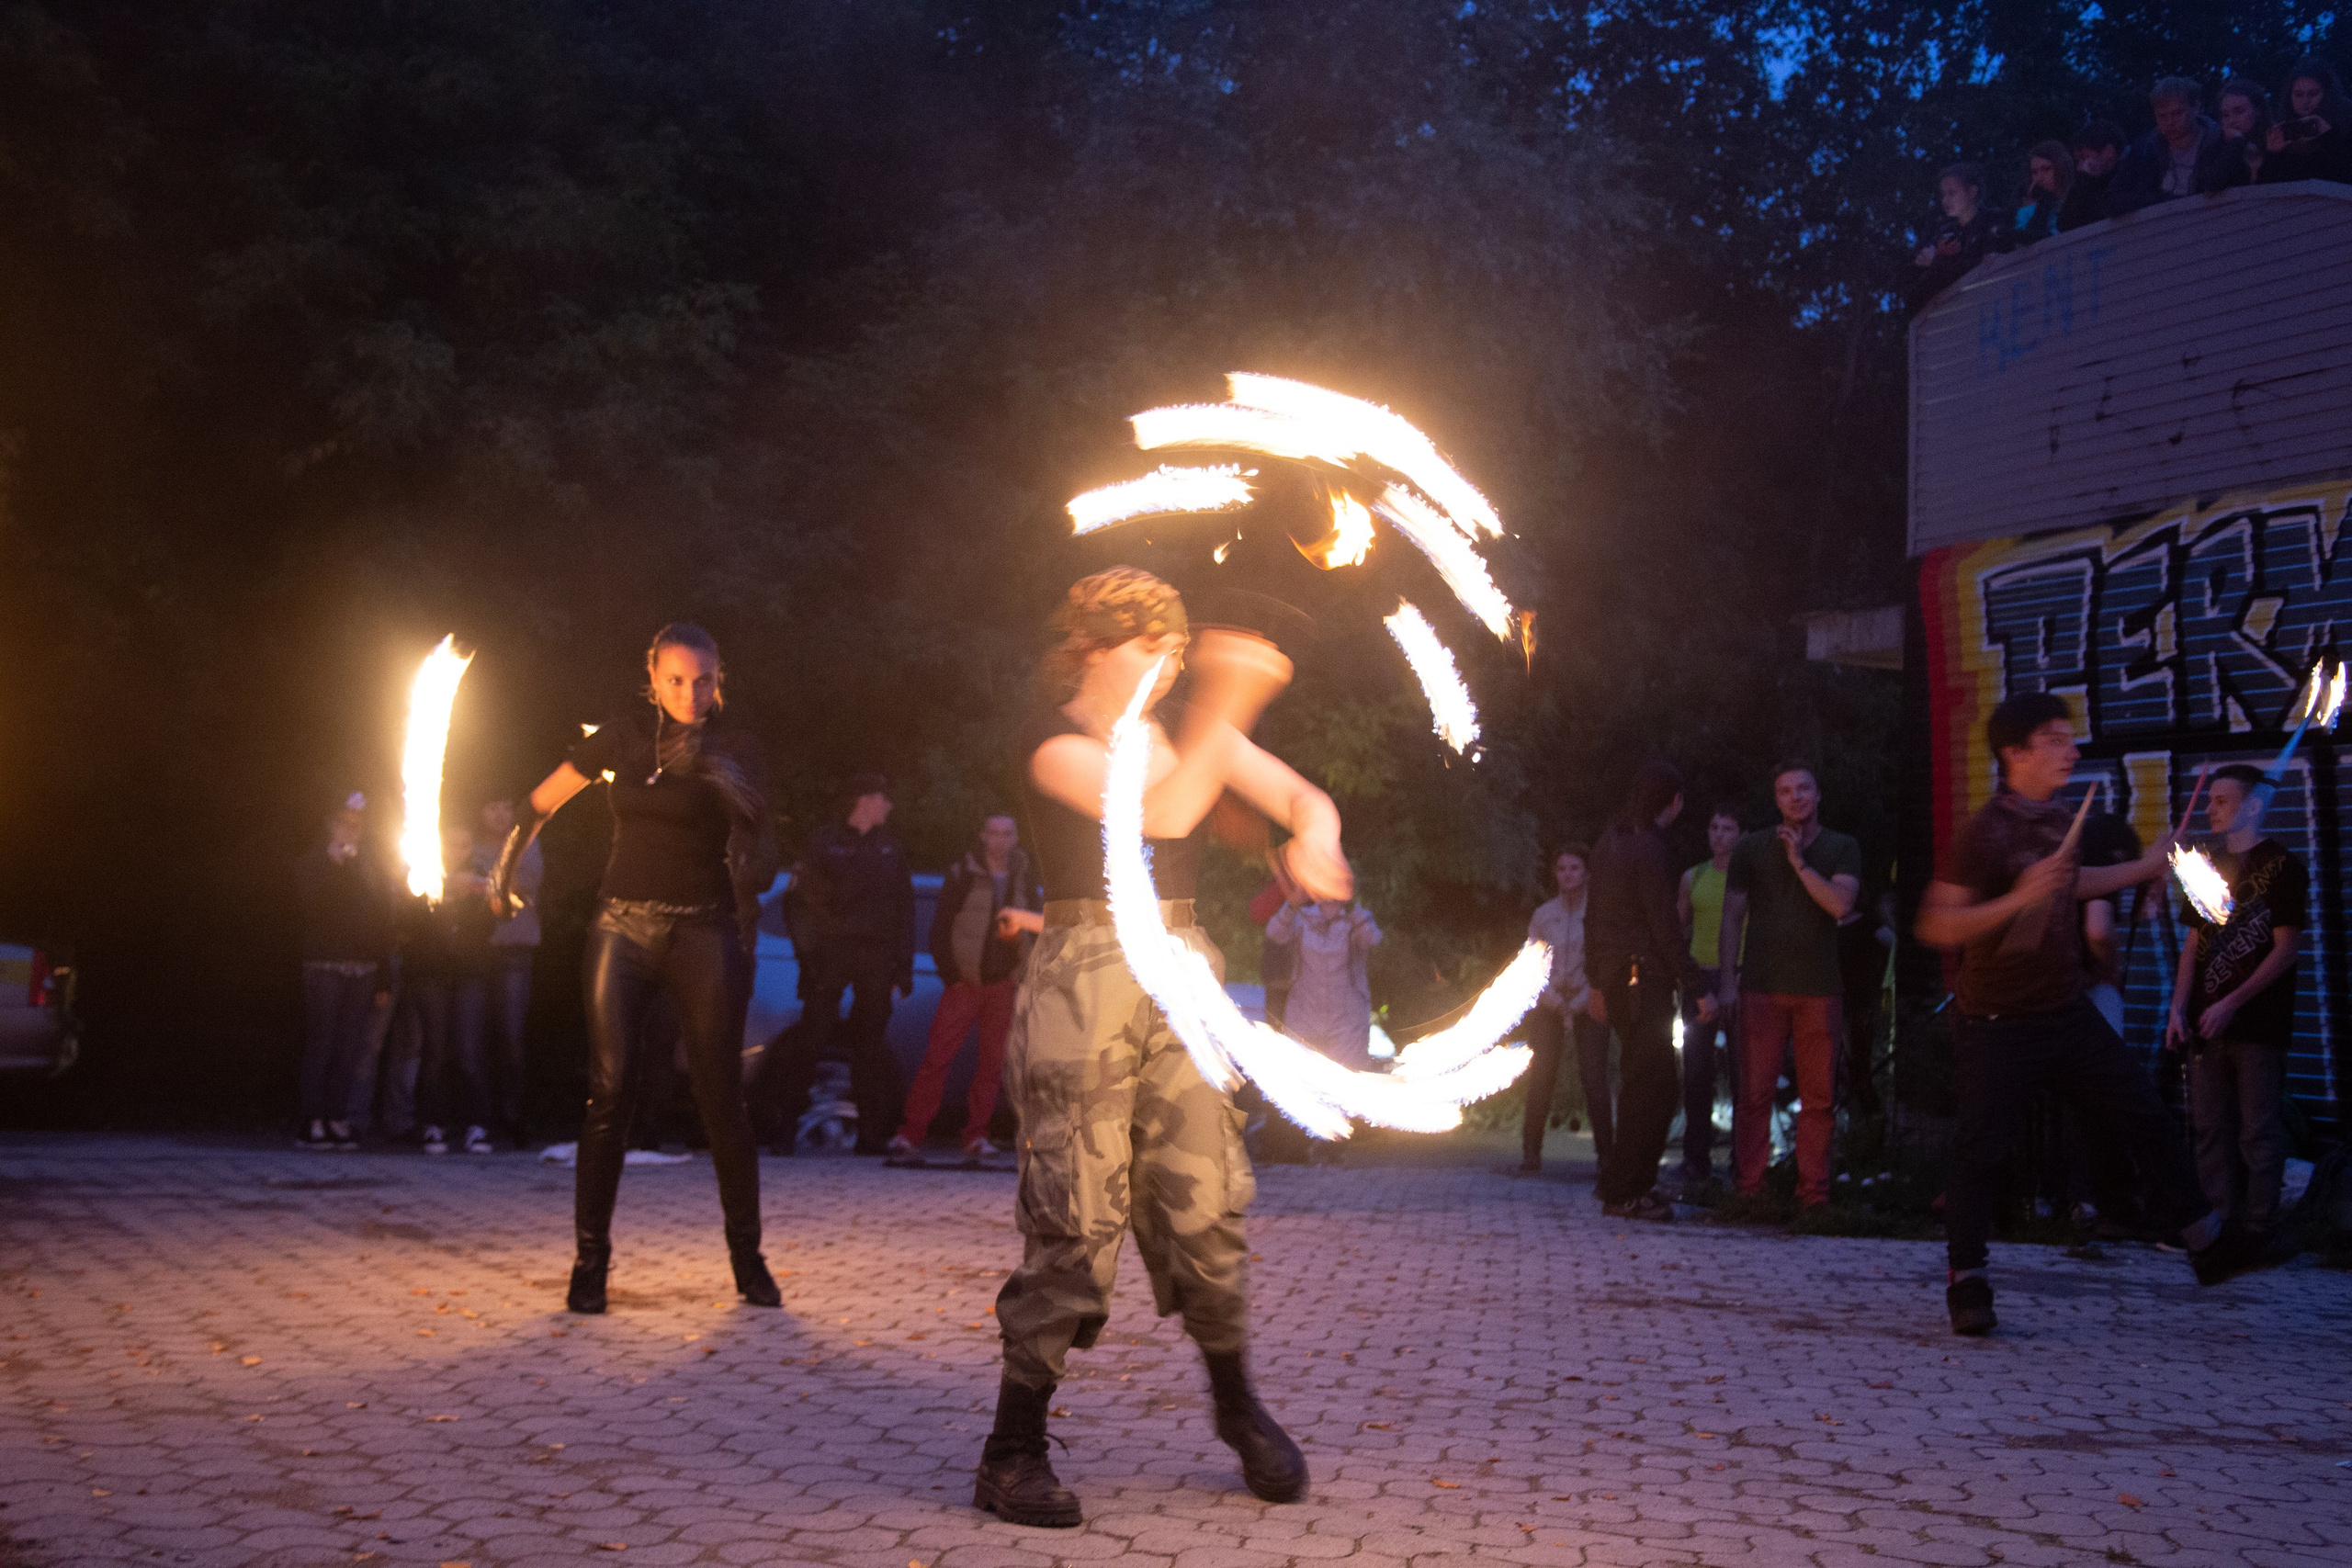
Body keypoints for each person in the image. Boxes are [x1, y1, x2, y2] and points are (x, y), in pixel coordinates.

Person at [975, 568, 1345, 1527]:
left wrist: (1315, 835)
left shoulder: (1189, 728)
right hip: (1086, 973)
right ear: (1094, 647)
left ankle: (1235, 1405)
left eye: (1181, 652)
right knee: (1075, 1212)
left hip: (1180, 973)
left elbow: (1302, 798)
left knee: (1205, 1197)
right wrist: (1228, 696)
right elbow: (1164, 811)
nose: (1171, 664)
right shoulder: (1052, 741)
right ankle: (1012, 1448)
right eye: (1152, 646)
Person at [1916, 692, 2246, 1337]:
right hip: (1996, 1021)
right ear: (2015, 753)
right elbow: (1937, 921)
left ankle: (2207, 1242)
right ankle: (1968, 1280)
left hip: (2064, 1008)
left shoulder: (2060, 815)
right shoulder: (1986, 831)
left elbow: (2072, 884)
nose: (2071, 749)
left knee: (2145, 1113)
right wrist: (2016, 899)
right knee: (1981, 1151)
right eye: (2055, 738)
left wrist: (2147, 866)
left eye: (2071, 737)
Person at [490, 622, 779, 1314]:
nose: (690, 692)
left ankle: (748, 1260)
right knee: (610, 1092)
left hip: (705, 930)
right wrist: (503, 873)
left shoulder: (736, 745)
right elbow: (537, 803)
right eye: (675, 679)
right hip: (621, 924)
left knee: (720, 1100)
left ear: (719, 679)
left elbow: (760, 826)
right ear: (652, 677)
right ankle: (590, 1265)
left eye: (703, 679)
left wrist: (720, 775)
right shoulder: (620, 737)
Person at [2166, 764, 2307, 1249]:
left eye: (2221, 800)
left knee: (2258, 1131)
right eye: (2210, 800)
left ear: (2252, 806)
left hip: (2258, 1022)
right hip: (2206, 1021)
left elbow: (2286, 948)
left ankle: (2258, 1229)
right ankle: (2217, 1229)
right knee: (2209, 1128)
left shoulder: (2285, 867)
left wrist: (2232, 1001)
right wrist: (2178, 1007)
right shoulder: (2205, 863)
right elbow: (2193, 942)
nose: (2210, 809)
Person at [1718, 765, 1860, 1211]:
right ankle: (1750, 1192)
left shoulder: (1842, 846)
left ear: (1818, 794)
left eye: (1803, 789)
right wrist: (1726, 979)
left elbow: (1839, 904)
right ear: (1776, 799)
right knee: (1755, 1093)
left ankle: (1812, 1197)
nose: (1796, 797)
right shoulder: (1751, 847)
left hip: (1818, 988)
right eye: (1785, 791)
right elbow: (1732, 916)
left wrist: (1798, 861)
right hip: (1761, 986)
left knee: (1818, 1098)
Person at [1586, 761, 1718, 1223]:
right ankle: (1627, 1189)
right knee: (1653, 1087)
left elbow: (1593, 917)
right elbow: (1664, 926)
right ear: (1675, 801)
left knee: (1643, 1083)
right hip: (1644, 980)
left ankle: (1625, 1183)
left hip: (1620, 980)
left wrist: (1596, 978)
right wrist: (1697, 985)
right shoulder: (1649, 849)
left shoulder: (1610, 842)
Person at [773, 774, 915, 1156]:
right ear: (866, 800)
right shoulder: (823, 843)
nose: (889, 807)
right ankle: (784, 1132)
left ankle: (870, 1137)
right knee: (810, 1043)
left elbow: (904, 911)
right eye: (884, 799)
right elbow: (796, 905)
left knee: (870, 1048)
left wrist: (902, 969)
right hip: (829, 957)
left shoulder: (890, 849)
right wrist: (809, 958)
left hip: (875, 961)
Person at [888, 812, 1040, 1165]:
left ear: (1014, 838)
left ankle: (976, 1136)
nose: (1000, 840)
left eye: (1007, 833)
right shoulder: (963, 873)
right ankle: (910, 1134)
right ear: (983, 836)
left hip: (1003, 982)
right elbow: (942, 925)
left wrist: (1022, 974)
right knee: (937, 1058)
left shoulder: (1024, 875)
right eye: (994, 833)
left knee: (991, 1063)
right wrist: (952, 974)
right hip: (965, 982)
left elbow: (1032, 925)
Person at [296, 793, 395, 1151]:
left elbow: (383, 918)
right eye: (344, 822)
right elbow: (307, 906)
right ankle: (312, 1120)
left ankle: (336, 1117)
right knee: (322, 1042)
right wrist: (331, 866)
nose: (351, 829)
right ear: (330, 824)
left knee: (349, 1047)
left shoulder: (370, 865)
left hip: (363, 968)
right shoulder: (313, 862)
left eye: (357, 824)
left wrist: (383, 975)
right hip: (324, 965)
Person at [410, 822, 497, 1156]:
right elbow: (410, 921)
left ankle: (478, 1125)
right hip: (431, 973)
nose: (457, 852)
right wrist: (444, 894)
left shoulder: (480, 879)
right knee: (435, 1050)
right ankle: (433, 1124)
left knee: (469, 1051)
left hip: (470, 973)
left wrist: (480, 895)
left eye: (464, 845)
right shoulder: (423, 876)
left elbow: (492, 925)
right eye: (451, 845)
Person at [1523, 845, 1607, 1177]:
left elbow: (1602, 961)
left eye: (1575, 868)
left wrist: (1583, 999)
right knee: (1542, 1073)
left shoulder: (1598, 914)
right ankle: (1531, 1152)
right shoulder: (1544, 915)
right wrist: (1555, 1001)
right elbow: (1531, 965)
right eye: (1562, 868)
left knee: (1594, 1076)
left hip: (1589, 1000)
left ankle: (1606, 1156)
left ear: (1587, 873)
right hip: (1550, 1001)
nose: (1568, 874)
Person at [1675, 808, 1741, 1188]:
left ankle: (1743, 1163)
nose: (1719, 835)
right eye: (1714, 827)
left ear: (1741, 834)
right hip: (1700, 976)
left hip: (1739, 974)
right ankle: (1695, 1160)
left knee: (1742, 1072)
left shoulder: (1748, 878)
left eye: (1727, 828)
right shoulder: (1694, 876)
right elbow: (1678, 923)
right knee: (1697, 1071)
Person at [474, 797, 542, 1145]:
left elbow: (523, 881)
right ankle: (481, 1120)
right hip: (473, 953)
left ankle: (513, 1119)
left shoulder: (527, 843)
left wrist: (479, 881)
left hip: (515, 949)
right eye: (492, 806)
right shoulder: (468, 845)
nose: (499, 814)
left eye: (506, 807)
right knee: (474, 1039)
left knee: (512, 1038)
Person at [2109, 78, 2237, 214]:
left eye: (2177, 113)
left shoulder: (2220, 142)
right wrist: (2163, 201)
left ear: (2196, 108)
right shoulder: (2145, 149)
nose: (2170, 122)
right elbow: (2113, 199)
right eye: (2162, 116)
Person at [1905, 163, 2002, 313]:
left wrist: (1936, 262)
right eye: (1944, 194)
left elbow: (1984, 267)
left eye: (1952, 193)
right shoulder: (1944, 232)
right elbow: (1915, 292)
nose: (1945, 200)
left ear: (1971, 192)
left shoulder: (1994, 221)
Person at [2259, 57, 2352, 185]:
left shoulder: (2346, 128)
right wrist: (2273, 155)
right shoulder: (2283, 134)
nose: (2305, 101)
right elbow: (2266, 189)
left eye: (2313, 94)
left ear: (2327, 94)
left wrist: (2328, 137)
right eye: (2299, 95)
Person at [2057, 121, 2129, 230]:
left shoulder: (2129, 179)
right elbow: (2065, 224)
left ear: (2108, 151)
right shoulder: (2089, 184)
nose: (2080, 167)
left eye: (2084, 158)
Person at [2010, 141, 2073, 245]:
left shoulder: (2076, 200)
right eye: (2035, 172)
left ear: (2061, 167)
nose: (2039, 178)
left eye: (2046, 169)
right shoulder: (2037, 209)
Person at [2217, 77, 2273, 186]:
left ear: (2258, 110)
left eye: (2239, 112)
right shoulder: (2216, 150)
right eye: (2225, 115)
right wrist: (2235, 144)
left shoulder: (2277, 142)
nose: (2231, 121)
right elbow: (2213, 185)